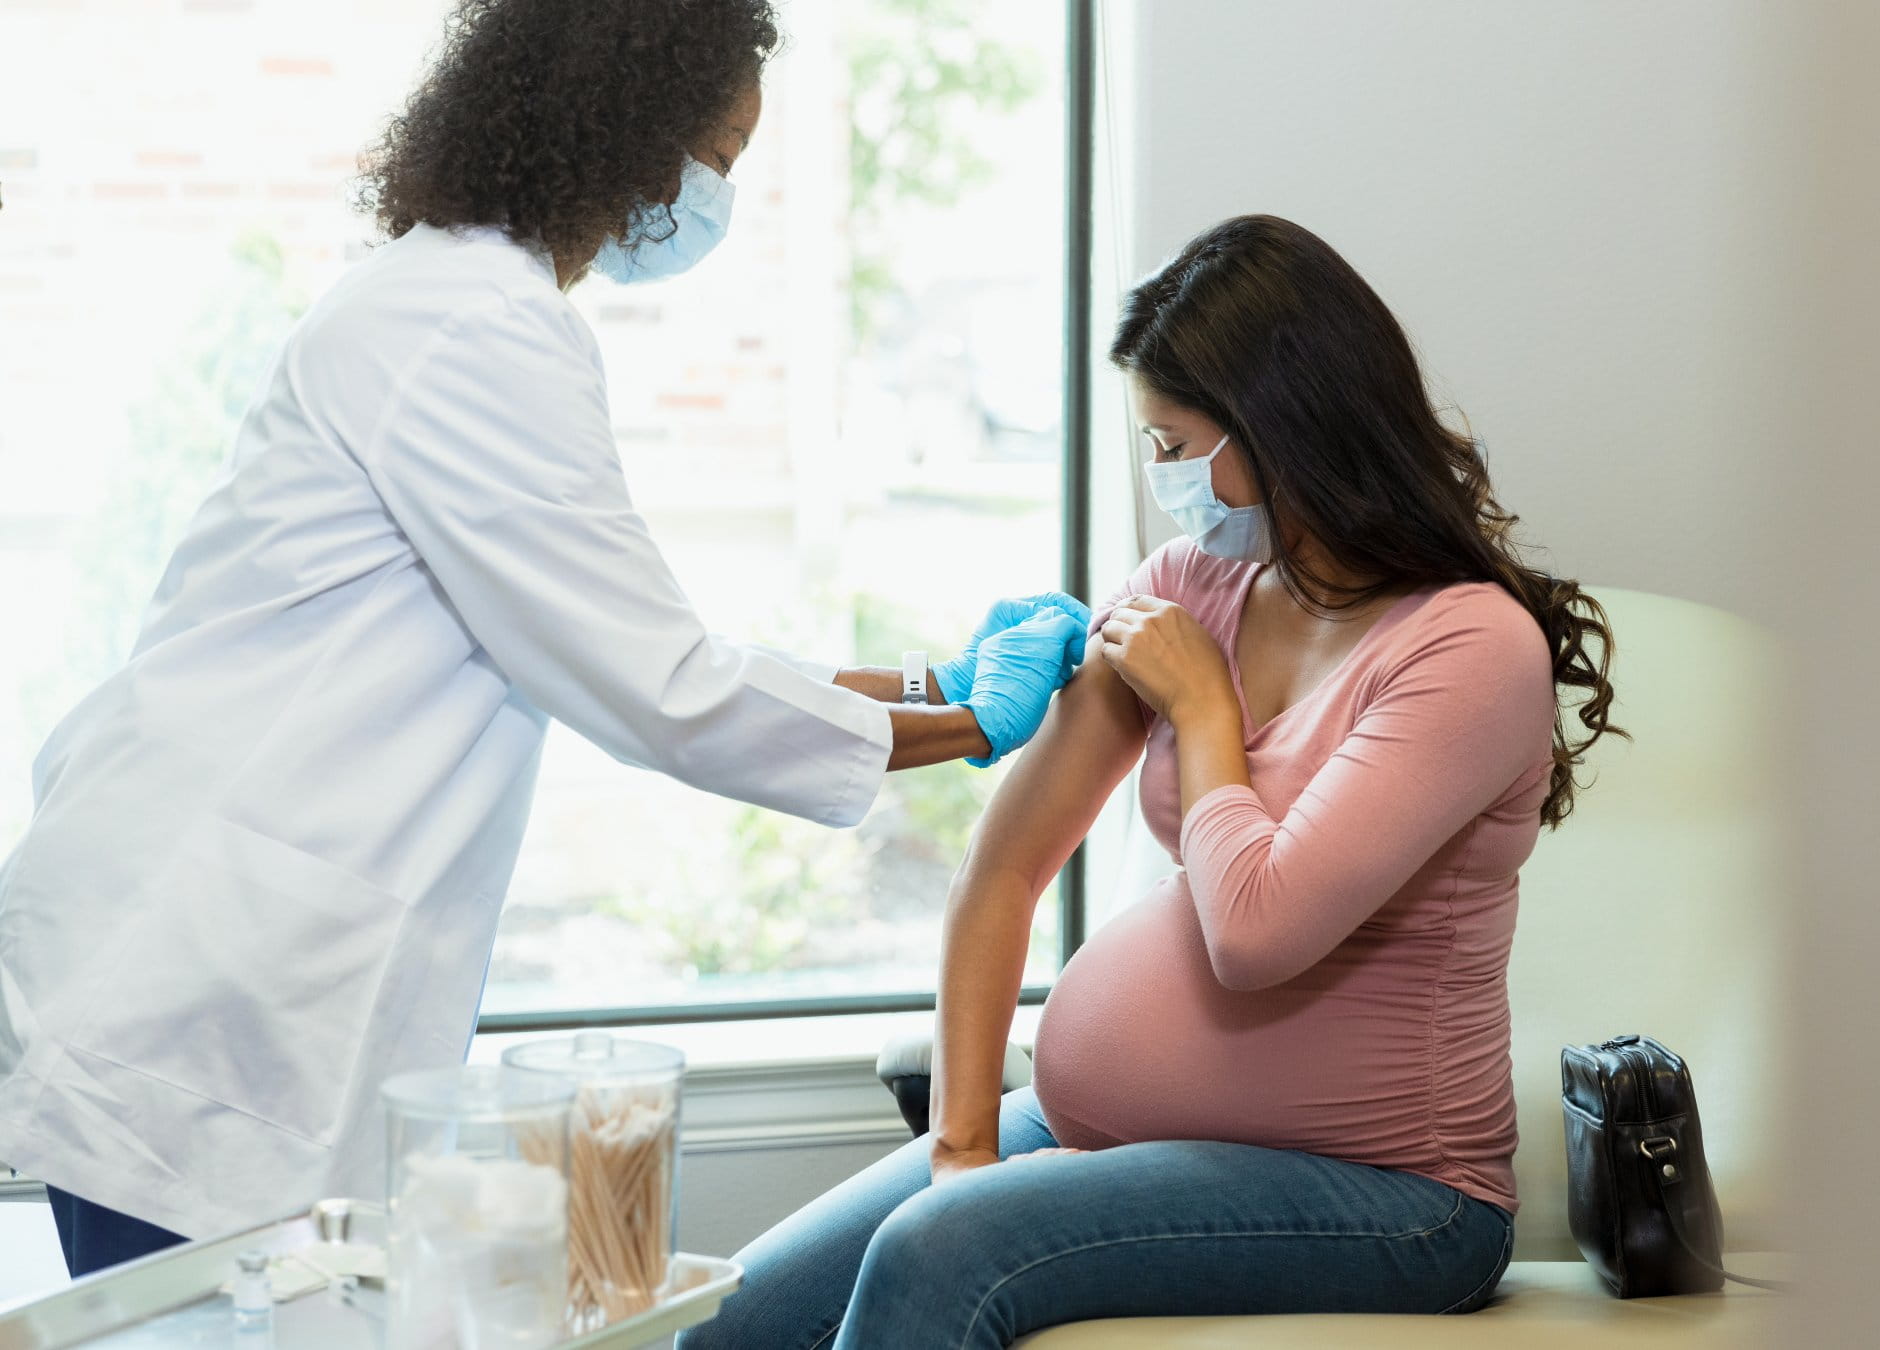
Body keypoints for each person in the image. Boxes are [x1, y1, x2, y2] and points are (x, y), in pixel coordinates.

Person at [0, 0, 1087, 1278]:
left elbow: (626, 637)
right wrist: (970, 724)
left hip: (226, 977)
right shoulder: (472, 326)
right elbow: (658, 688)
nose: (710, 201)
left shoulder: (448, 300)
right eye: (717, 165)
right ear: (619, 132)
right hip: (205, 1000)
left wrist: (929, 679)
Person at [682, 214, 1625, 1349]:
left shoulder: (1469, 650)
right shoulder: (1193, 587)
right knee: (728, 1321)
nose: (1163, 480)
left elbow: (1259, 932)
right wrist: (963, 1150)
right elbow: (1003, 869)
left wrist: (1203, 709)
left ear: (1281, 432)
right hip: (1106, 1138)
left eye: (1176, 445)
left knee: (945, 1258)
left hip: (1392, 1197)